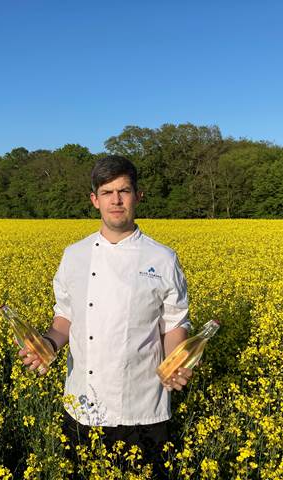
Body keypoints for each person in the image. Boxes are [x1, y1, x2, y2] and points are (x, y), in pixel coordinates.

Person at [18, 155, 193, 477]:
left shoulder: (163, 258)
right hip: (82, 405)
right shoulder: (75, 255)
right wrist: (47, 344)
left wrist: (176, 362)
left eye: (124, 191)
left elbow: (174, 321)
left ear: (137, 197)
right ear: (94, 200)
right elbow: (65, 317)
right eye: (107, 192)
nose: (116, 200)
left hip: (144, 407)